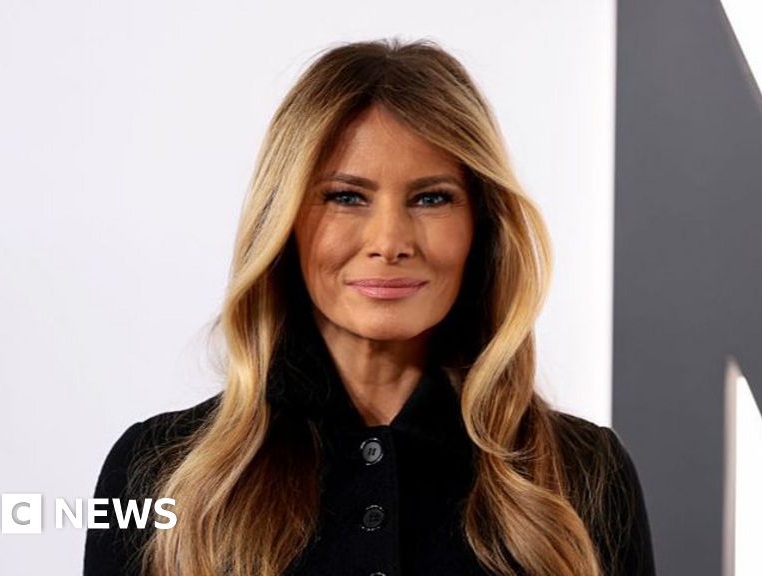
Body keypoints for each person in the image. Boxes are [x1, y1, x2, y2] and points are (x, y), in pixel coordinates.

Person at [84, 38, 656, 576]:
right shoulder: (156, 471)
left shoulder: (583, 472)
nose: (389, 241)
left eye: (431, 198)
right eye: (346, 197)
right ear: (284, 221)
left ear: (480, 226)